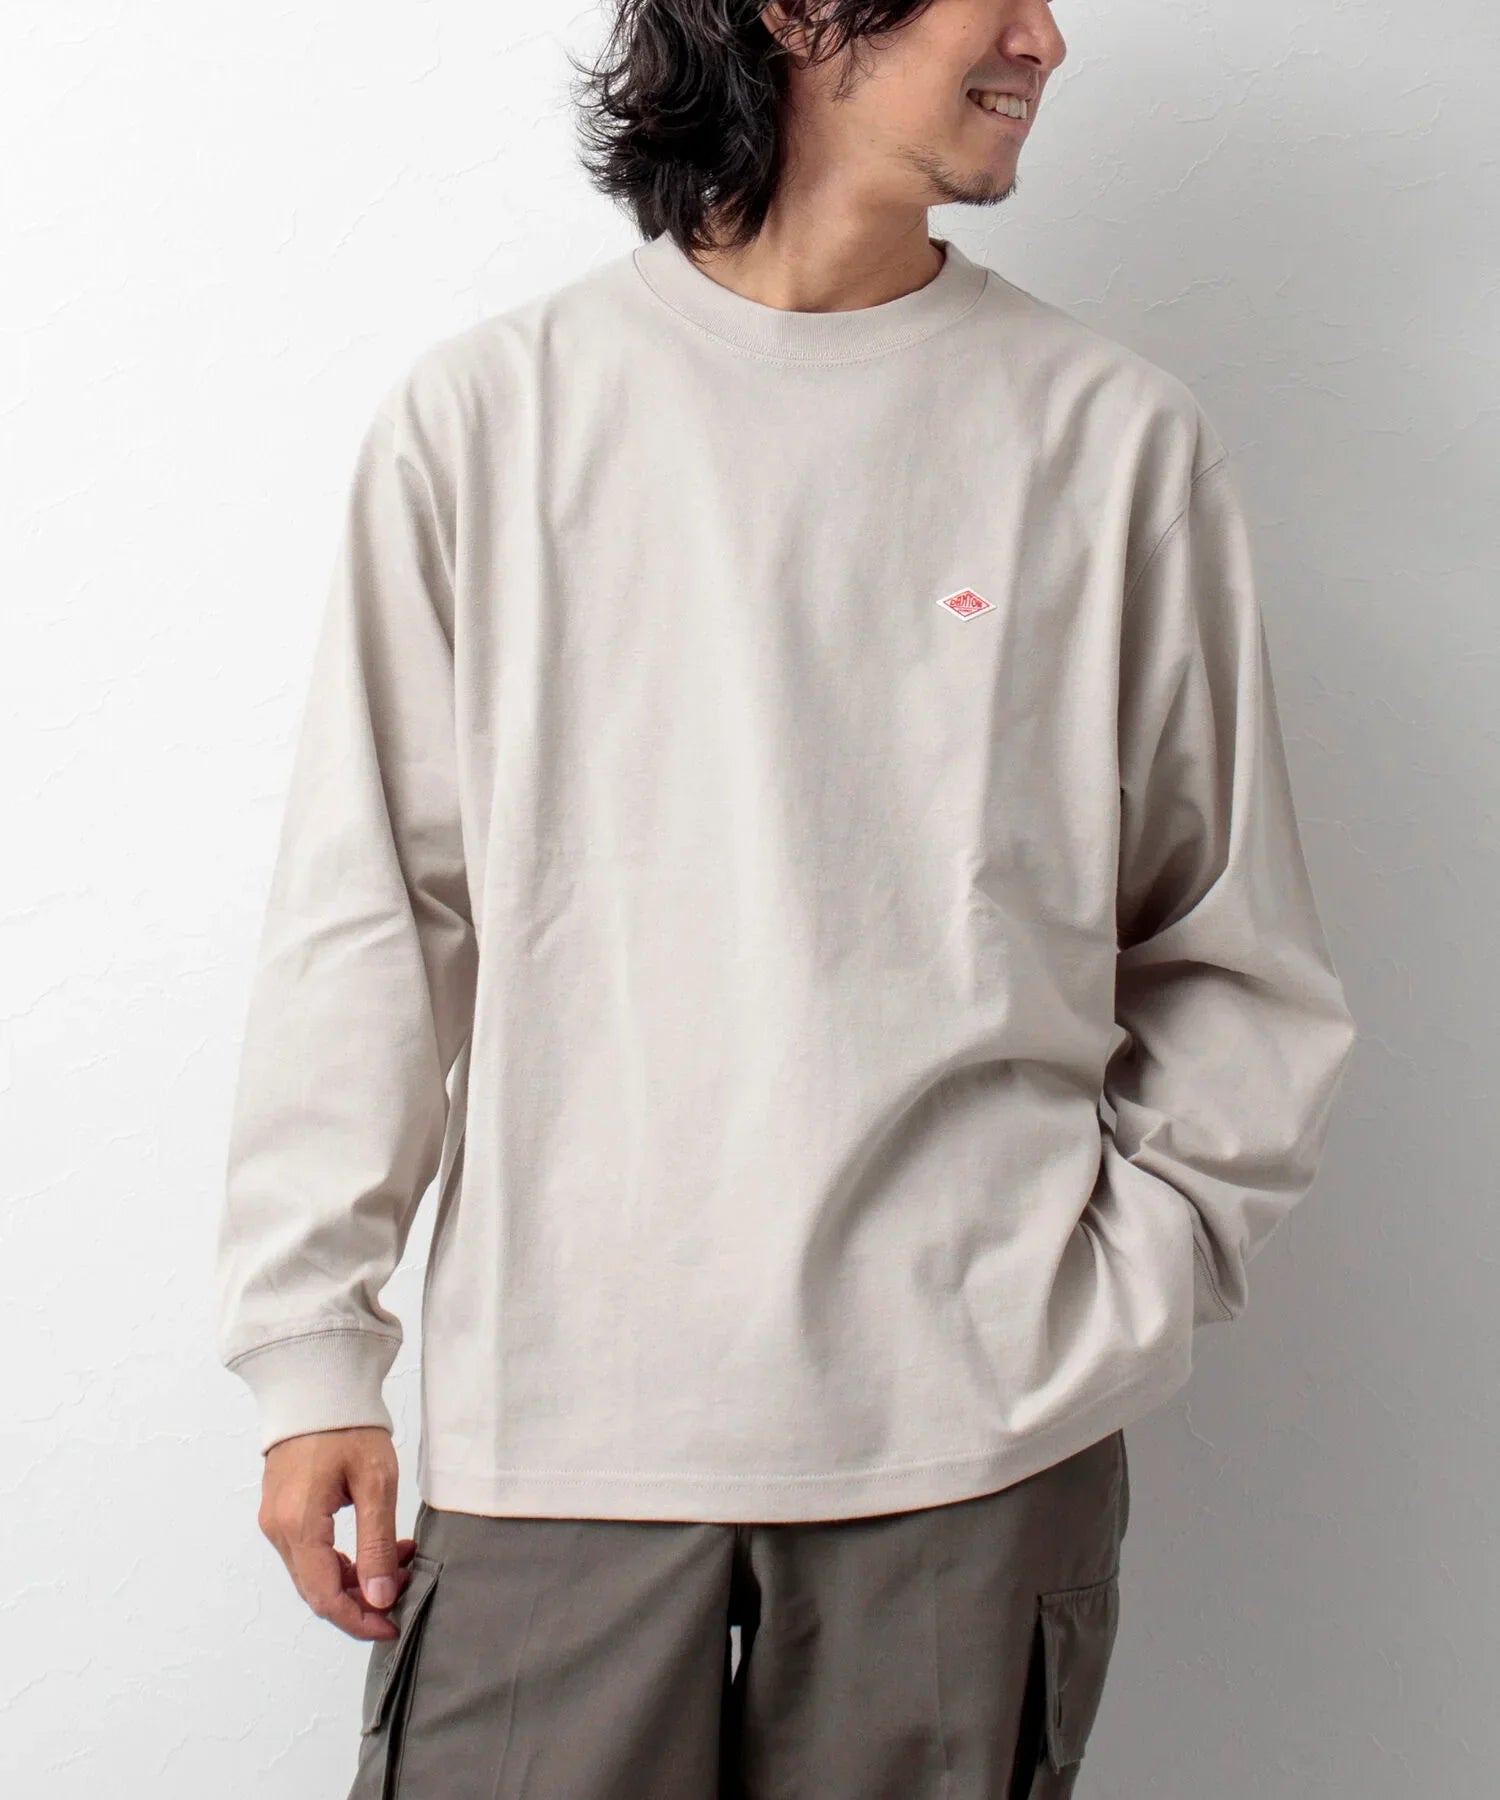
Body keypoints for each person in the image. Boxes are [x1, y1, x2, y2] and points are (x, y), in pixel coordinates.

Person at [213, 2, 1359, 1794]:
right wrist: (313, 1356)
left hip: (977, 1455)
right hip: (562, 1437)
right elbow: (371, 920)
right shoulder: (495, 419)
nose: (1048, 38)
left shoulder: (1111, 440)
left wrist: (1116, 1287)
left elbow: (1230, 950)